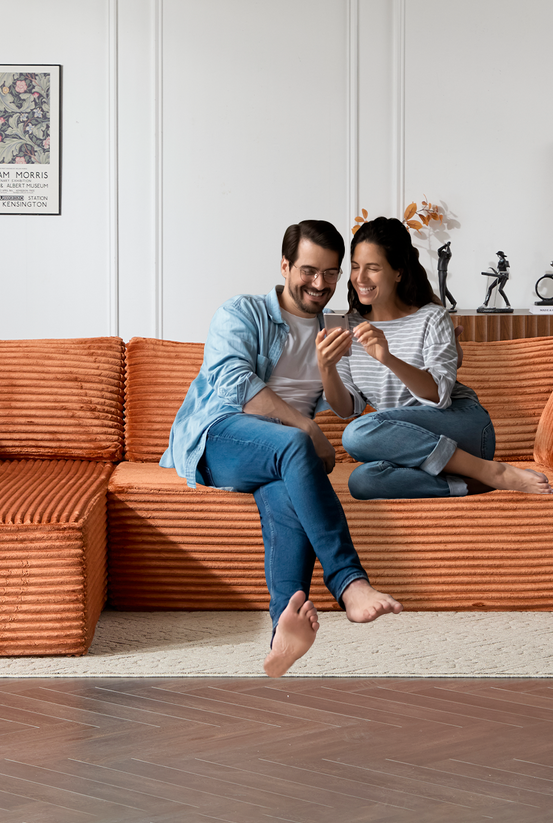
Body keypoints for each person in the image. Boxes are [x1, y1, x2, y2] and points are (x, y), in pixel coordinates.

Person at [160, 220, 402, 676]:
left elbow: (349, 406)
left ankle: (282, 631)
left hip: (280, 456)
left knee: (285, 491)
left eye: (330, 273)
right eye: (309, 270)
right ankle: (349, 582)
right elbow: (234, 383)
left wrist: (330, 367)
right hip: (221, 435)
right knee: (293, 445)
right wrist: (306, 428)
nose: (320, 284)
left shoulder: (338, 327)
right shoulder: (242, 312)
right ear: (285, 266)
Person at [323, 216, 552, 500]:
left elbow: (439, 397)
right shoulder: (349, 327)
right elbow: (348, 408)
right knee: (363, 481)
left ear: (398, 272)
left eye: (373, 268)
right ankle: (471, 483)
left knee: (356, 434)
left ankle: (490, 470)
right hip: (406, 442)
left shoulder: (432, 317)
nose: (360, 278)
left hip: (463, 427)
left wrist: (388, 358)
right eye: (356, 267)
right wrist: (326, 367)